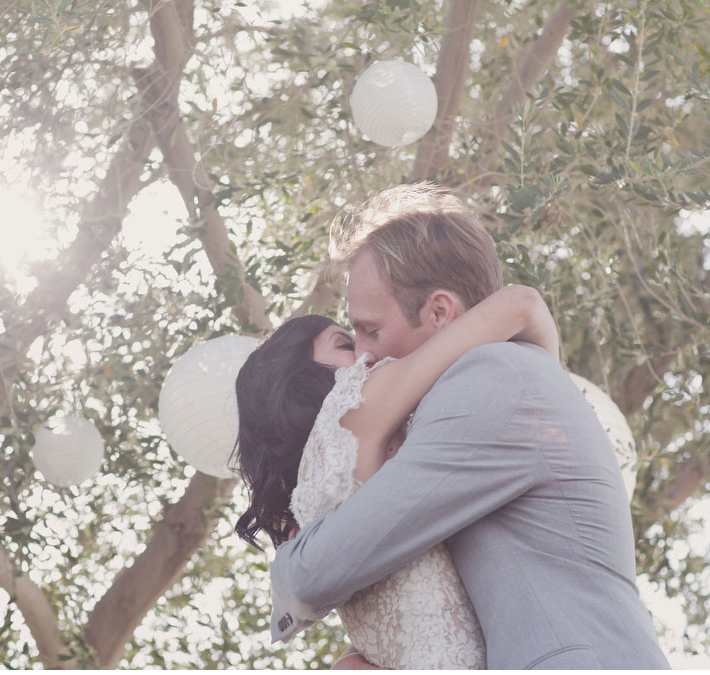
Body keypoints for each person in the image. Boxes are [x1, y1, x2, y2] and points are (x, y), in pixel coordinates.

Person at [266, 183, 670, 669]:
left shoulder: (494, 379)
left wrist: (285, 569)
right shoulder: (495, 381)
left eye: (371, 329)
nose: (364, 354)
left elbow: (321, 571)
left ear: (439, 311)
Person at [234, 284, 558, 668]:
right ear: (299, 378)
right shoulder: (353, 405)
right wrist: (548, 394)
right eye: (345, 343)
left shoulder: (307, 510)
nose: (366, 351)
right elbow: (522, 304)